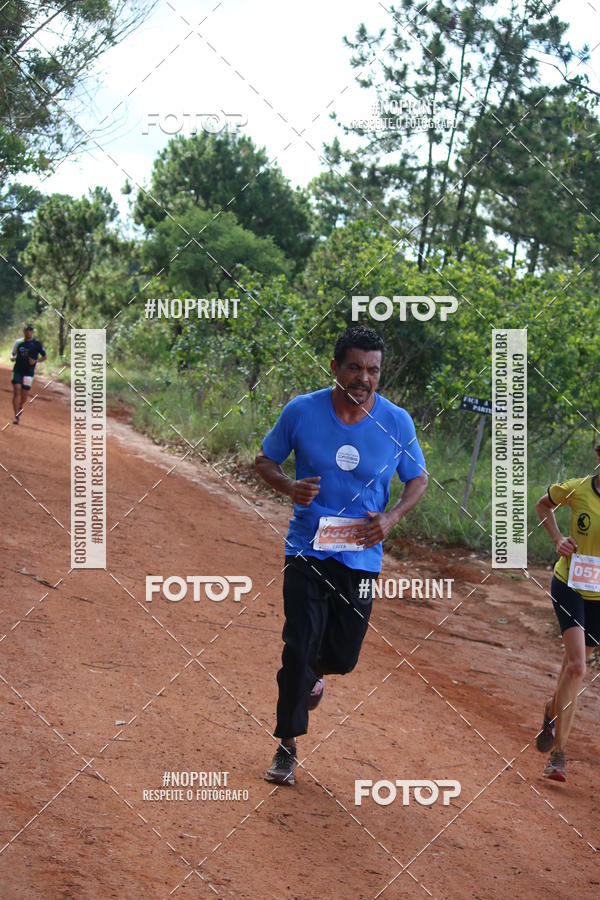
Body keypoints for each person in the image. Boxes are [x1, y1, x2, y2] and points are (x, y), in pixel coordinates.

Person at [255, 325, 429, 785]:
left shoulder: (396, 423)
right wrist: (290, 486)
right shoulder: (302, 411)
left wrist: (390, 519)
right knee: (299, 644)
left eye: (372, 370)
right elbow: (264, 461)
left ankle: (314, 671)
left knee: (343, 655)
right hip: (307, 548)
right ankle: (287, 746)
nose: (363, 378)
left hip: (361, 556)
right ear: (335, 367)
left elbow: (418, 480)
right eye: (354, 367)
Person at [534, 443, 600, 781]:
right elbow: (543, 505)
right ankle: (558, 755)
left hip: (599, 598)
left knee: (569, 673)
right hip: (569, 585)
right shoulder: (578, 489)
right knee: (577, 666)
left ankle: (551, 710)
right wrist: (558, 537)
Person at [10, 323, 47, 425]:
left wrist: (36, 361)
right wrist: (12, 357)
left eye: (30, 330)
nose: (29, 332)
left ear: (32, 332)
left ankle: (21, 405)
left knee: (24, 395)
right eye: (27, 330)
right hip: (17, 370)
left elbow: (44, 357)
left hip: (29, 372)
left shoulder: (37, 344)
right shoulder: (19, 342)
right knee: (16, 390)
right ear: (24, 331)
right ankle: (16, 416)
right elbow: (12, 353)